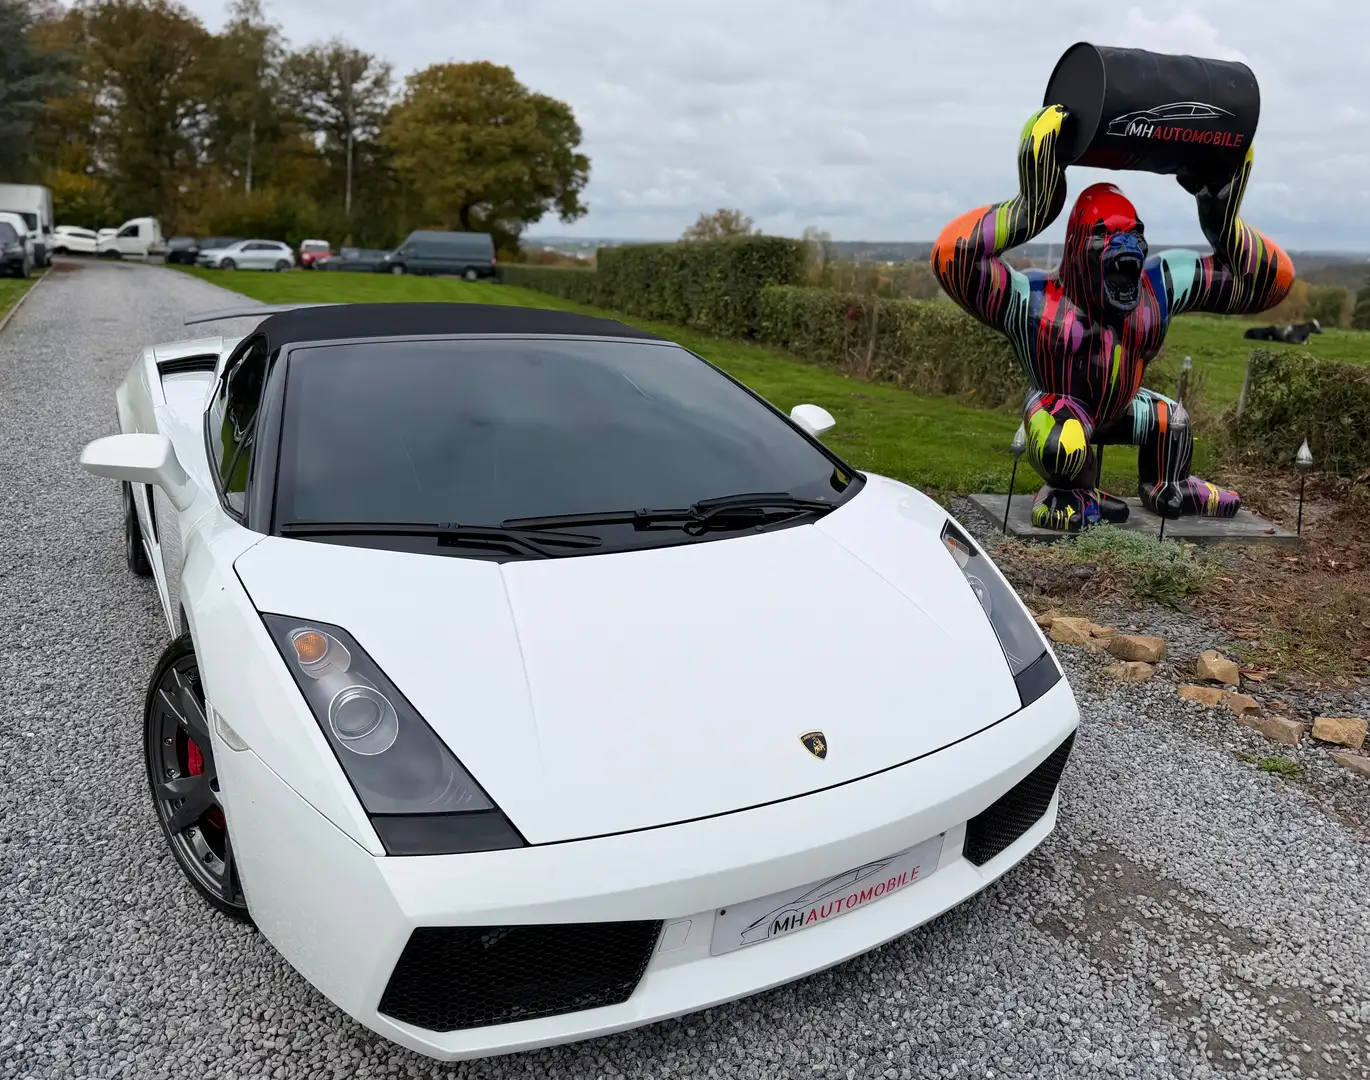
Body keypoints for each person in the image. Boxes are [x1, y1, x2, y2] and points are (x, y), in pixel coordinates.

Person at [930, 104, 1294, 531]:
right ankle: (1066, 491)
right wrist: (1032, 205)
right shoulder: (1035, 299)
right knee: (1062, 441)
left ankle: (1168, 483)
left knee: (1170, 418)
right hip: (1058, 405)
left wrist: (1222, 217)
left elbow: (1266, 282)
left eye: (1135, 233)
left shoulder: (1158, 288)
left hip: (1121, 408)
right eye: (1104, 235)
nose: (1127, 245)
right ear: (1076, 245)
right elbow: (954, 256)